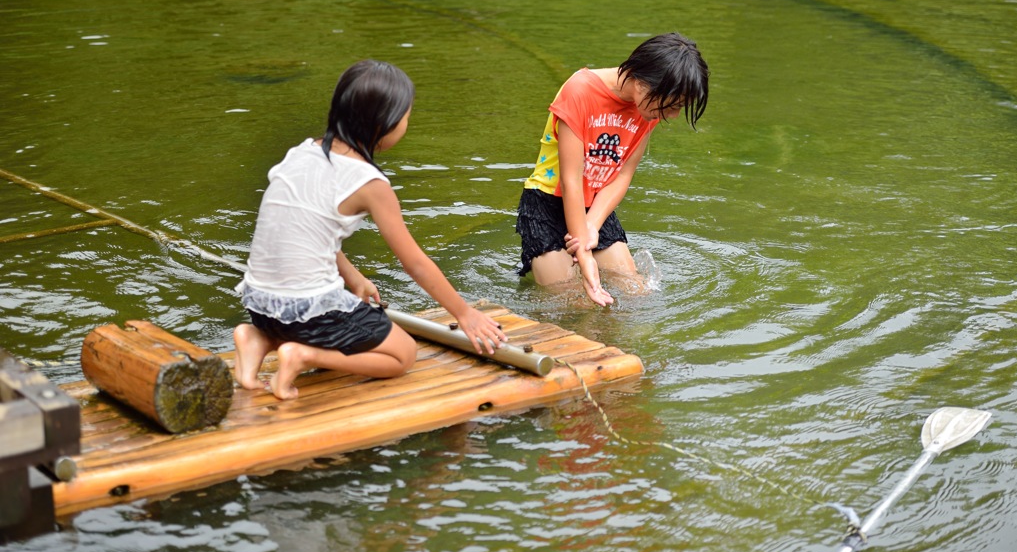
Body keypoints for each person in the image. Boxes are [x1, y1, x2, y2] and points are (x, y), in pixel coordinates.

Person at [233, 59, 507, 400]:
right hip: (305, 310)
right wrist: (464, 313)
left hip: (260, 306)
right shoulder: (370, 183)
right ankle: (302, 355)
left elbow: (308, 235)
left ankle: (258, 340)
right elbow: (415, 263)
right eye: (406, 116)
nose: (407, 123)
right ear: (385, 124)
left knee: (337, 334)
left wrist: (354, 279)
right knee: (401, 355)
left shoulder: (302, 152)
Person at [515, 32, 709, 306]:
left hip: (595, 205)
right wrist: (584, 255)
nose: (673, 116)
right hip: (547, 203)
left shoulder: (647, 109)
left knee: (636, 294)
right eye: (674, 105)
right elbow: (570, 181)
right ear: (643, 84)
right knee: (573, 302)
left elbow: (622, 175)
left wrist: (592, 226)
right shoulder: (580, 91)